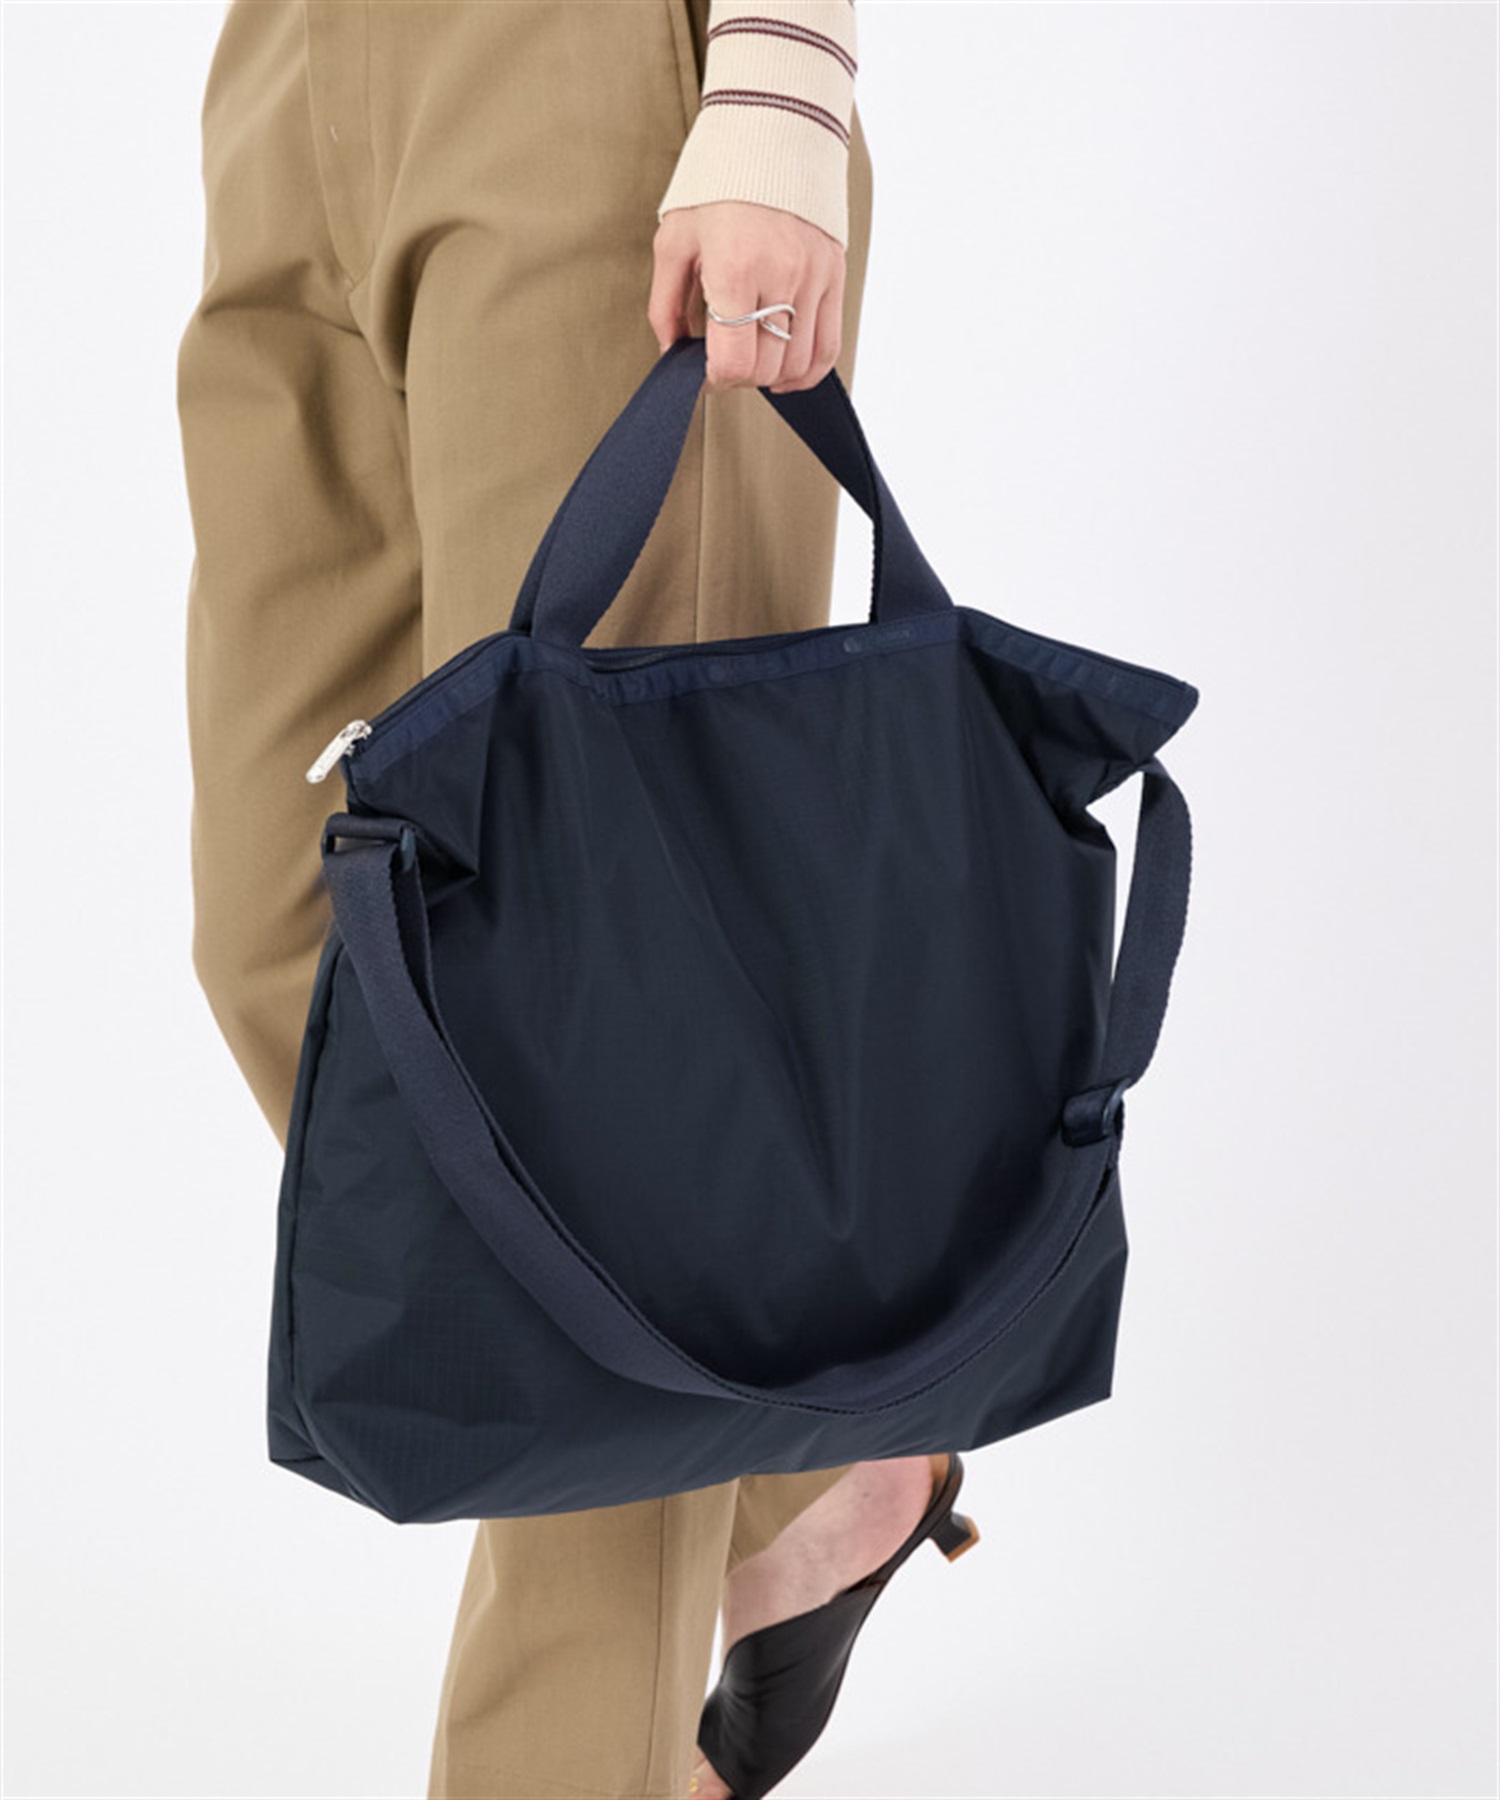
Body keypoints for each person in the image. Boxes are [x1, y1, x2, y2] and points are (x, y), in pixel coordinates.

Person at [176, 4, 973, 1795]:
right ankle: (797, 1469)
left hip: (590, 84)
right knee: (283, 933)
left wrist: (781, 74)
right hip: (288, 68)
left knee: (598, 1085)